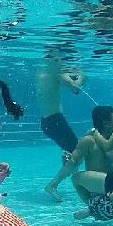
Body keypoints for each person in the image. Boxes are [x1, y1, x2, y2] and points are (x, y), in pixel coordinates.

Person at [38, 57, 87, 201]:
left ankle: (74, 177)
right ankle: (53, 185)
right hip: (55, 120)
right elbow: (76, 89)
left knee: (73, 153)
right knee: (78, 153)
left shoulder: (42, 73)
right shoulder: (59, 73)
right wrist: (81, 75)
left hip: (47, 122)